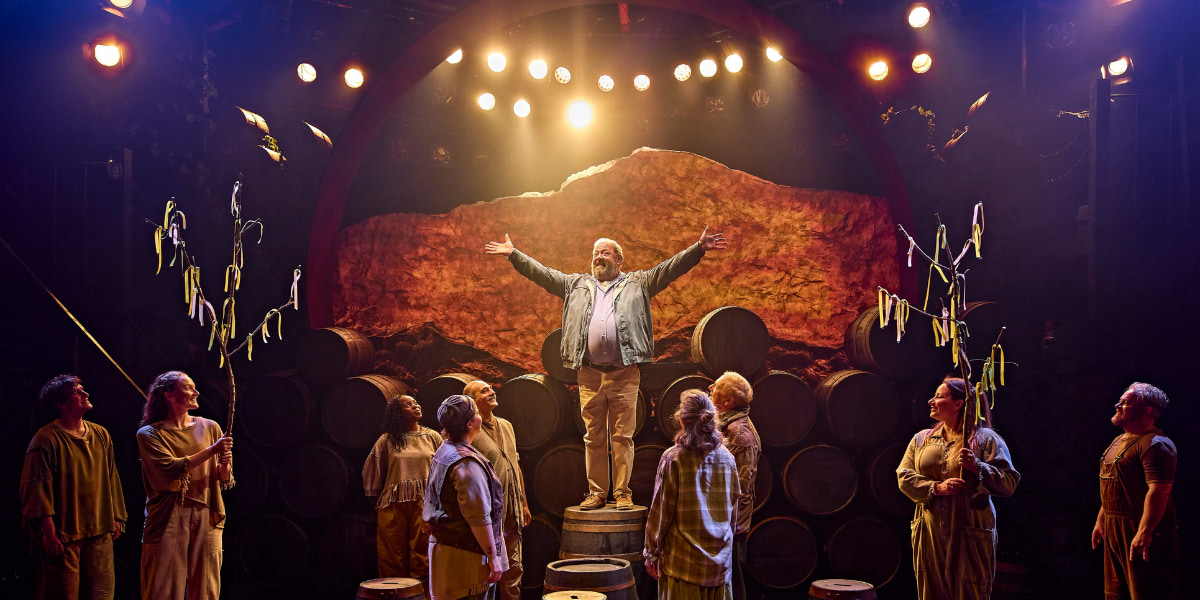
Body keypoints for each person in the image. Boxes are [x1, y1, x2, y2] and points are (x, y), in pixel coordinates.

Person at [485, 228, 727, 509]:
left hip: (624, 372)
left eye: (605, 252)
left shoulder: (639, 282)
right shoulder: (575, 284)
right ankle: (597, 492)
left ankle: (622, 492)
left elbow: (670, 268)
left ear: (619, 260)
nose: (599, 257)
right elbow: (543, 274)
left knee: (623, 436)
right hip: (589, 374)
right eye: (595, 253)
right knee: (593, 436)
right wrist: (514, 255)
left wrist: (698, 248)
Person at [896, 376, 1020, 600]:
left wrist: (977, 466)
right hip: (931, 529)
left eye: (939, 396)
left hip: (969, 527)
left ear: (958, 403)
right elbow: (904, 477)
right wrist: (937, 487)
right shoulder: (922, 439)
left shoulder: (984, 439)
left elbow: (1009, 482)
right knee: (932, 590)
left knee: (969, 590)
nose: (931, 401)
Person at [20, 375, 128, 600]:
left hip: (100, 532)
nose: (85, 394)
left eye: (83, 389)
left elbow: (111, 476)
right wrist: (49, 533)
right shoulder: (46, 439)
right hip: (66, 536)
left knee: (102, 594)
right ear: (61, 404)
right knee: (63, 594)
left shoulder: (100, 434)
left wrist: (117, 515)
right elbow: (36, 488)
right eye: (77, 392)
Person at [136, 371, 233, 600]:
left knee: (206, 587)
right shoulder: (150, 434)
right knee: (163, 587)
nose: (196, 392)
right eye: (188, 388)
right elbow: (171, 467)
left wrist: (225, 465)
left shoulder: (210, 427)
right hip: (169, 514)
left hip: (207, 510)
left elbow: (224, 477)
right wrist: (212, 450)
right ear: (170, 396)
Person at [643, 389, 740, 600]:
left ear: (681, 421)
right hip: (719, 567)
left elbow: (661, 512)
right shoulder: (727, 458)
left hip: (682, 565)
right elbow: (733, 509)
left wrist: (651, 552)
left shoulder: (673, 458)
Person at [1091, 382, 1180, 600]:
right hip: (1115, 527)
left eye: (1125, 402)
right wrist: (1102, 519)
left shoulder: (1155, 444)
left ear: (1147, 410)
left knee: (1144, 592)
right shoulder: (1118, 441)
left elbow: (1159, 491)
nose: (1117, 405)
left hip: (1138, 528)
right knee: (1116, 593)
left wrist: (1144, 532)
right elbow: (1114, 484)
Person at [423, 395, 507, 600]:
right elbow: (478, 518)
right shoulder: (466, 464)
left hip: (447, 548)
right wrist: (493, 557)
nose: (480, 415)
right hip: (466, 557)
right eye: (477, 413)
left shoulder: (445, 450)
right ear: (470, 424)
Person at [363, 395, 441, 585]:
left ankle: (422, 596)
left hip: (424, 504)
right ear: (398, 414)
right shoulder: (387, 440)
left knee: (422, 555)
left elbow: (444, 468)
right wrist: (376, 499)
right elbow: (372, 469)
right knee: (391, 555)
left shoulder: (432, 437)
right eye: (408, 405)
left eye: (415, 402)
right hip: (393, 504)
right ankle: (394, 594)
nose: (415, 406)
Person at [464, 380, 530, 600]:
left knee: (514, 568)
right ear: (473, 402)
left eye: (491, 388)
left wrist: (523, 502)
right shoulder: (471, 430)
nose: (492, 392)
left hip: (512, 509)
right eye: (484, 391)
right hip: (488, 514)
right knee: (487, 571)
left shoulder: (506, 425)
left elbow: (515, 466)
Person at [711, 372, 760, 600]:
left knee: (734, 576)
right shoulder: (728, 425)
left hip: (733, 521)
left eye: (716, 388)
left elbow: (739, 486)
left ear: (729, 401)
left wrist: (727, 524)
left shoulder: (741, 435)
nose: (711, 390)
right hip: (725, 519)